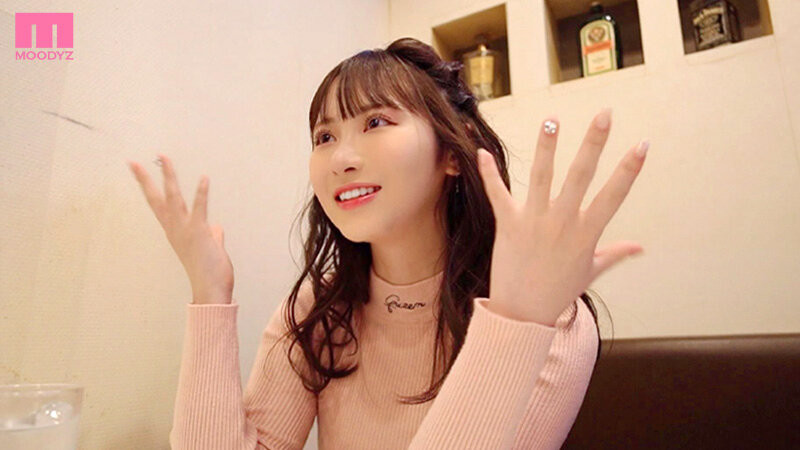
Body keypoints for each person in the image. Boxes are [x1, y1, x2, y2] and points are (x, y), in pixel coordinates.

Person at [127, 37, 648, 450]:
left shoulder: (550, 315)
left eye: (376, 122)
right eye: (325, 137)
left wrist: (517, 323)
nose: (341, 159)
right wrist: (209, 295)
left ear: (451, 154)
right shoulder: (319, 309)